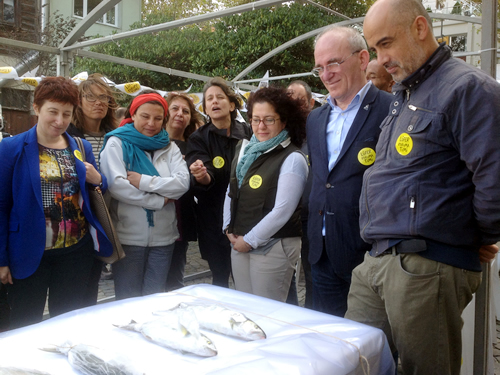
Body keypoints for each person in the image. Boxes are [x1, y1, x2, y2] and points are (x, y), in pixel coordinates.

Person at [344, 0, 500, 373]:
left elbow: (494, 179)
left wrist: (470, 235)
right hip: (379, 259)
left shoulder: (467, 88)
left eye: (386, 44)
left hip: (423, 264)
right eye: (374, 49)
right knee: (353, 362)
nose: (379, 60)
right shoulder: (406, 93)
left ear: (419, 28)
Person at [0, 77, 113, 329]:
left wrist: (100, 180)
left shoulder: (81, 147)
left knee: (69, 323)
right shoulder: (10, 148)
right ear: (37, 107)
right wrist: (2, 260)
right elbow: (1, 207)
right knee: (25, 324)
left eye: (66, 114)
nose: (60, 121)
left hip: (75, 252)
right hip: (29, 253)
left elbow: (96, 186)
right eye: (53, 111)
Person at [307, 26, 392, 317]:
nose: (326, 74)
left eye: (333, 63)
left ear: (362, 59)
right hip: (321, 253)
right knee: (330, 345)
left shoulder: (392, 110)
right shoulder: (315, 119)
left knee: (373, 346)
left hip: (370, 254)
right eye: (320, 67)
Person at [99, 92, 190, 300]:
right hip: (128, 238)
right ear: (133, 114)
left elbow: (182, 184)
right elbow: (117, 186)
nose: (151, 123)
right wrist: (158, 200)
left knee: (154, 300)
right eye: (145, 116)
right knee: (128, 301)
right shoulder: (117, 143)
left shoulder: (170, 147)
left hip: (164, 239)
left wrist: (143, 182)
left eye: (158, 118)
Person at [223, 86, 308, 302]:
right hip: (240, 241)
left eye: (269, 119)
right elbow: (231, 191)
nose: (261, 126)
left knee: (269, 313)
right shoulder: (246, 151)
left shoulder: (292, 158)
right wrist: (228, 229)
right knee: (247, 308)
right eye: (255, 119)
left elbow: (283, 211)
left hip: (273, 246)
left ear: (284, 121)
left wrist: (249, 240)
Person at [186, 78, 252, 287]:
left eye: (220, 97)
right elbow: (206, 177)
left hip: (247, 216)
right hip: (213, 219)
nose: (214, 102)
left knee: (246, 279)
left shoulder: (249, 133)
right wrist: (202, 175)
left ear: (232, 105)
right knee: (220, 276)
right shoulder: (199, 138)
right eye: (209, 99)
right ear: (205, 107)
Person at [67, 73, 119, 305]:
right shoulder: (67, 137)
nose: (98, 102)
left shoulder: (116, 137)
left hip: (111, 215)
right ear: (78, 101)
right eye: (90, 97)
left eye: (104, 97)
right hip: (81, 217)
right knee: (76, 285)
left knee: (93, 281)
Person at [164, 92, 203, 290]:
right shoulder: (153, 143)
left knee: (174, 277)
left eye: (185, 111)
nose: (180, 114)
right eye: (175, 109)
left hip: (182, 218)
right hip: (157, 216)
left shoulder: (195, 147)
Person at [285, 80, 315, 308]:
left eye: (300, 100)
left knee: (313, 272)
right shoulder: (279, 135)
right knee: (286, 275)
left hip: (312, 215)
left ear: (311, 103)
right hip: (284, 218)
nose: (294, 104)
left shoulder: (318, 133)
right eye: (289, 99)